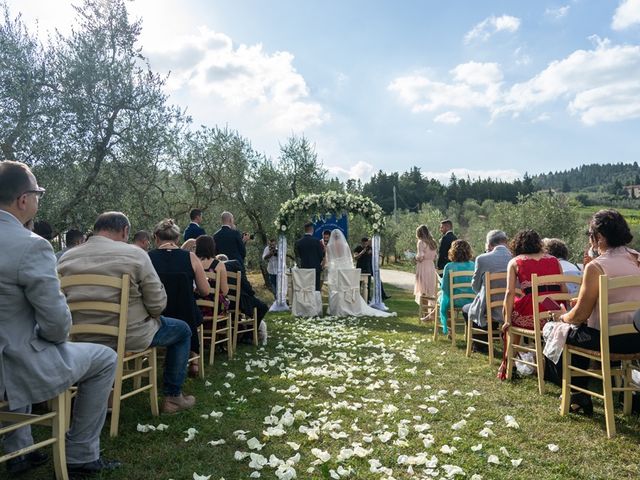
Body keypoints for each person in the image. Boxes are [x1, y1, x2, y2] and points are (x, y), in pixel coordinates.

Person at [0, 161, 120, 477]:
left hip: (7, 358)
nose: (39, 198)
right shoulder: (31, 247)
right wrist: (47, 335)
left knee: (14, 342)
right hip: (14, 366)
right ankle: (81, 454)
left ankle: (18, 451)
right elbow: (56, 325)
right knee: (105, 357)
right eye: (38, 192)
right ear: (23, 199)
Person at [58, 212, 197, 414]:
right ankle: (173, 397)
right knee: (183, 330)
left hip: (78, 337)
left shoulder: (66, 257)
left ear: (96, 230)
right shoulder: (135, 254)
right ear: (124, 231)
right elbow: (158, 305)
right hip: (128, 334)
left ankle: (99, 395)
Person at [555, 210, 640, 414]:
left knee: (567, 331)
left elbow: (579, 316)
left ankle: (578, 397)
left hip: (610, 341)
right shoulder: (637, 259)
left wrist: (561, 317)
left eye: (590, 235)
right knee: (577, 330)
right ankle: (624, 397)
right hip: (637, 337)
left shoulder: (597, 267)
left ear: (599, 237)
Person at [498, 229, 564, 379]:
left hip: (533, 312)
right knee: (515, 304)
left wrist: (507, 319)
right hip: (554, 311)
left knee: (511, 311)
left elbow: (509, 292)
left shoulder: (516, 261)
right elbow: (563, 288)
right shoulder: (554, 260)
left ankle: (509, 362)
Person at [148, 219, 209, 378]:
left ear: (156, 237)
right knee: (193, 311)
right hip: (185, 315)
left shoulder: (147, 258)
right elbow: (204, 290)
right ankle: (193, 359)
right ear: (177, 239)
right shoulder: (191, 258)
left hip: (157, 316)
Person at [325, 229, 395, 318]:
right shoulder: (344, 245)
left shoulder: (329, 246)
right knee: (347, 287)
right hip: (345, 269)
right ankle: (349, 305)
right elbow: (349, 258)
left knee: (337, 289)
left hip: (335, 269)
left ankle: (336, 308)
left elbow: (329, 260)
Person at [464, 230, 512, 351]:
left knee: (467, 309)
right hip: (512, 308)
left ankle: (481, 345)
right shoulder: (515, 258)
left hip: (491, 308)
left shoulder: (482, 259)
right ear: (505, 242)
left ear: (489, 245)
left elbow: (475, 287)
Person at [439, 239, 475, 334]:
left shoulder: (449, 266)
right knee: (446, 297)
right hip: (471, 300)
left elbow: (445, 287)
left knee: (444, 298)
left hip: (455, 300)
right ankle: (469, 332)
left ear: (452, 251)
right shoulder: (474, 265)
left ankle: (450, 330)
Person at [196, 235, 229, 317]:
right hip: (214, 309)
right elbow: (224, 291)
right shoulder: (219, 265)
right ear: (212, 247)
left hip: (195, 307)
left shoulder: (193, 262)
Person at [295, 222, 325, 291]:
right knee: (316, 289)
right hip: (315, 269)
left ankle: (306, 301)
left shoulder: (298, 242)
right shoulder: (316, 241)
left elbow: (297, 256)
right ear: (312, 230)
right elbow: (321, 256)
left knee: (306, 289)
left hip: (304, 269)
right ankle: (315, 301)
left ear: (304, 230)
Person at [414, 226, 438, 309]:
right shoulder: (433, 242)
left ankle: (424, 312)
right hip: (431, 266)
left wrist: (416, 258)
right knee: (429, 290)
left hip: (423, 266)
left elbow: (421, 257)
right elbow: (435, 257)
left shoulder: (421, 242)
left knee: (422, 290)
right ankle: (430, 312)